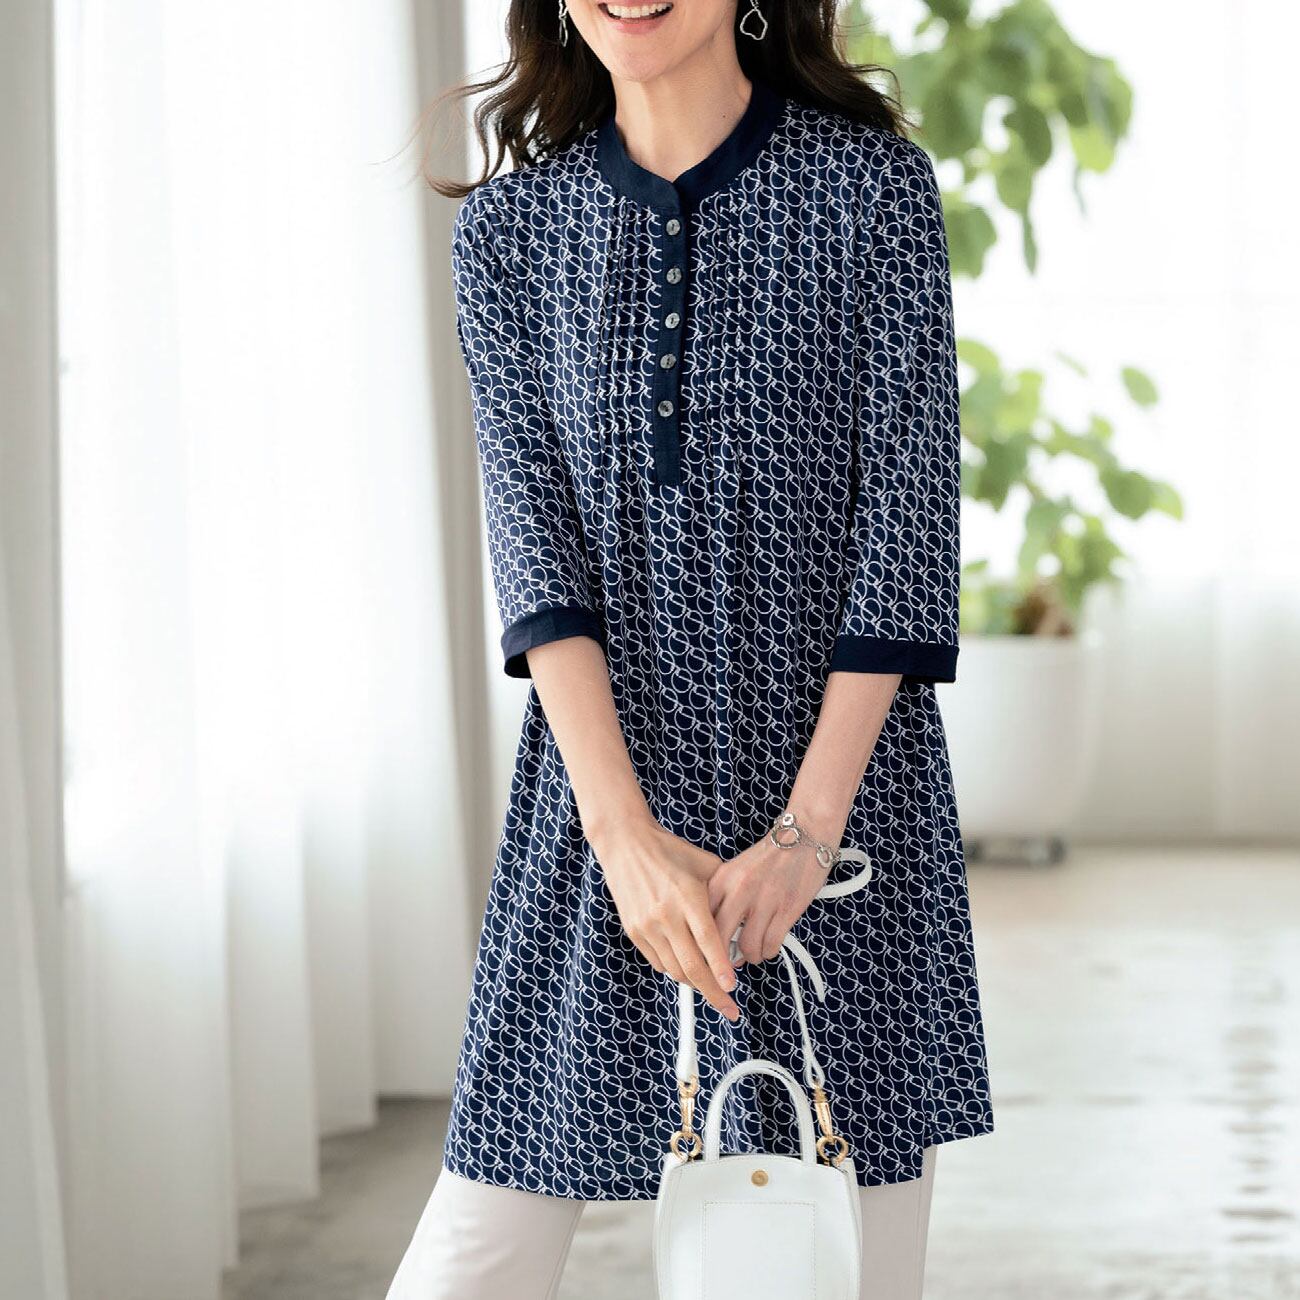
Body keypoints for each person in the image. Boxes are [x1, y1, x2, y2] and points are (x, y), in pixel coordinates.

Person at [387, 1, 994, 1296]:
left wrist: (806, 835)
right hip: (603, 807)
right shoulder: (509, 235)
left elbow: (907, 527)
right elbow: (537, 559)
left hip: (845, 816)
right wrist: (622, 842)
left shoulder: (871, 192)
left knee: (842, 1263)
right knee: (477, 1251)